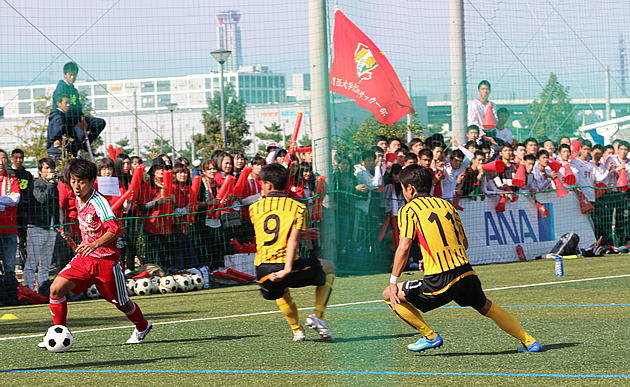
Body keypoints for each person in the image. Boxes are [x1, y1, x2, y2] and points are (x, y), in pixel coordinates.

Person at [381, 164, 541, 353]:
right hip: (466, 272)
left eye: (402, 188)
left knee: (388, 295)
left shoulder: (409, 210)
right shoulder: (447, 205)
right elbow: (463, 243)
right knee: (486, 306)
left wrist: (393, 281)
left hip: (439, 280)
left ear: (410, 188)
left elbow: (404, 246)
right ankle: (529, 341)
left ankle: (429, 336)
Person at [38, 157, 151, 348]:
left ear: (92, 182)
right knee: (56, 289)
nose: (76, 186)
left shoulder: (99, 202)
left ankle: (142, 326)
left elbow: (114, 230)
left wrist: (94, 244)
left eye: (81, 182)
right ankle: (59, 332)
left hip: (107, 262)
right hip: (85, 259)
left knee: (121, 302)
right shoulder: (77, 199)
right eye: (73, 181)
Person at [250, 163, 336, 342]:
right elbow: (292, 239)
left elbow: (274, 231)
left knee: (281, 291)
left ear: (268, 185)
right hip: (286, 265)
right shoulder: (298, 207)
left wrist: (300, 234)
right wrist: (287, 268)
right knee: (329, 267)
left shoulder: (254, 208)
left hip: (262, 270)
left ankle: (297, 330)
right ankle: (318, 316)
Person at [49, 62, 106, 159]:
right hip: (67, 121)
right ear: (65, 74)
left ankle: (84, 146)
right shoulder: (60, 89)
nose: (72, 77)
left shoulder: (74, 90)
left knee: (99, 123)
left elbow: (78, 106)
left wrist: (82, 118)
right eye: (70, 74)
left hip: (76, 119)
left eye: (74, 75)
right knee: (79, 135)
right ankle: (74, 153)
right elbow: (60, 109)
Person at [24, 158, 58, 291]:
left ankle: (42, 290)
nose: (50, 171)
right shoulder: (35, 184)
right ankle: (28, 290)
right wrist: (50, 184)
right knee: (31, 263)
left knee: (46, 264)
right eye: (47, 168)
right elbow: (42, 199)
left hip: (51, 229)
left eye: (51, 168)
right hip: (36, 228)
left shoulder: (54, 186)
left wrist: (57, 225)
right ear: (40, 171)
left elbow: (57, 206)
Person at [8, 148, 33, 270]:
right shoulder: (7, 174)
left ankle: (23, 263)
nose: (19, 160)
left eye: (21, 158)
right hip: (10, 211)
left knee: (24, 238)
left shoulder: (27, 175)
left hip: (25, 212)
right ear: (11, 159)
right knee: (9, 238)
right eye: (16, 158)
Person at [0, 149, 21, 280]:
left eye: (3, 158)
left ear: (7, 161)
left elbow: (15, 200)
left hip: (9, 229)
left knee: (9, 267)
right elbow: (9, 200)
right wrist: (4, 202)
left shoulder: (13, 180)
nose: (0, 162)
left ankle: (10, 295)